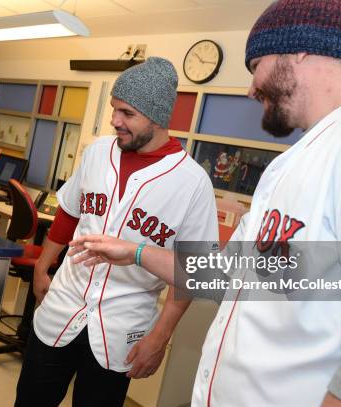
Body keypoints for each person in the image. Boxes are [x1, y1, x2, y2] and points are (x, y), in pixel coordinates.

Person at [69, 1, 341, 406]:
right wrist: (134, 252)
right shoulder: (302, 159)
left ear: (299, 51)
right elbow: (227, 275)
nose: (251, 87)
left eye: (256, 64)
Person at [15, 57, 219, 406]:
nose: (114, 120)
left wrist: (161, 336)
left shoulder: (193, 182)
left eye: (126, 113)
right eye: (113, 109)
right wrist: (41, 265)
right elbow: (69, 211)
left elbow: (194, 270)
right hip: (62, 305)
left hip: (121, 326)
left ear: (156, 115)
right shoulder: (97, 152)